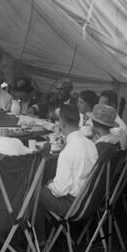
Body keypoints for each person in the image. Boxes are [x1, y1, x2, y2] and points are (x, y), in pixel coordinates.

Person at [35, 103, 98, 242]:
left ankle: (39, 238)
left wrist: (49, 185)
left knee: (34, 190)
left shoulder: (68, 151)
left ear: (61, 123)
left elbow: (61, 190)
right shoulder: (91, 144)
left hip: (73, 205)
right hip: (90, 201)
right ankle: (48, 228)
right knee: (46, 184)